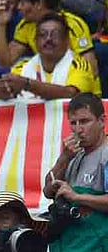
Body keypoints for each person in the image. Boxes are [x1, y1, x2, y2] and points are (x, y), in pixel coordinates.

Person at [43, 92, 108, 252]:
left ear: (101, 121)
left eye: (84, 121)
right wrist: (63, 159)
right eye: (73, 123)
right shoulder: (73, 154)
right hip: (67, 242)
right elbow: (47, 191)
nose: (78, 129)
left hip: (96, 244)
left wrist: (77, 197)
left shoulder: (106, 154)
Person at [0, 0, 97, 70]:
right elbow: (5, 62)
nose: (19, 7)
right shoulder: (26, 25)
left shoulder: (73, 25)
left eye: (22, 1)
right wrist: (1, 24)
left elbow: (91, 68)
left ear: (38, 4)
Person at [0, 13, 100, 100]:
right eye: (42, 35)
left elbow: (71, 94)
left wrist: (27, 84)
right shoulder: (22, 67)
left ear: (67, 40)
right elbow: (6, 90)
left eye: (55, 34)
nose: (48, 39)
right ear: (35, 41)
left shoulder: (80, 65)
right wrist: (3, 92)